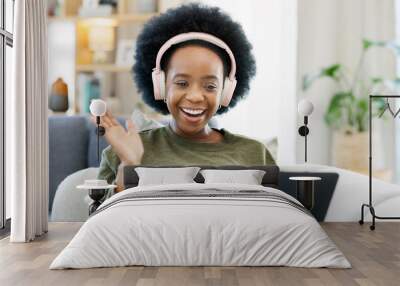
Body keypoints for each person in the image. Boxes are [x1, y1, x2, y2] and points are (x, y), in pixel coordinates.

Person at [95, 3, 275, 196]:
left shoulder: (255, 153)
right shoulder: (121, 151)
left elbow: (277, 218)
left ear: (226, 91)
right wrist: (129, 165)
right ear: (161, 85)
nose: (196, 97)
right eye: (182, 83)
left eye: (210, 86)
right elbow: (99, 222)